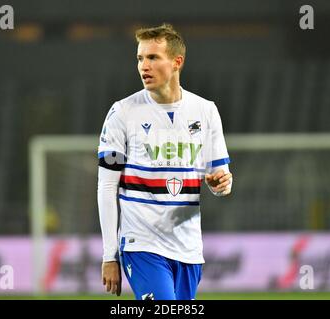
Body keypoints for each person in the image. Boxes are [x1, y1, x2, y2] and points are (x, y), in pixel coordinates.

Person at [97, 23, 232, 300]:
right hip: (142, 244)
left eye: (153, 57)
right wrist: (109, 255)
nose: (143, 66)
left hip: (189, 248)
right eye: (139, 58)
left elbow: (220, 179)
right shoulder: (121, 113)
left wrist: (221, 183)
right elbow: (106, 187)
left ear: (177, 62)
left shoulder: (206, 111)